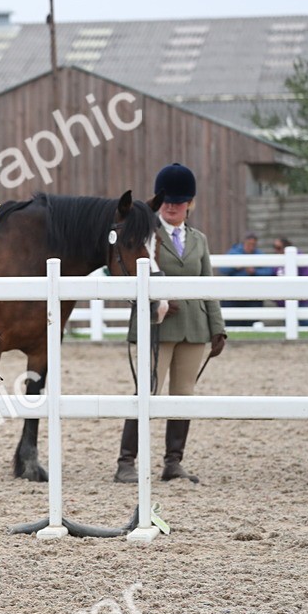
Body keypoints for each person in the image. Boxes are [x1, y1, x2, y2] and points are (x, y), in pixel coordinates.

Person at [114, 163, 227, 484]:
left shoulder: (199, 240)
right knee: (146, 391)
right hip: (157, 326)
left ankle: (173, 462)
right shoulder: (146, 235)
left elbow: (208, 284)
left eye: (180, 200)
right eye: (167, 200)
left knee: (183, 394)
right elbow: (129, 275)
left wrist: (217, 327)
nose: (172, 205)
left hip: (194, 328)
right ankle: (126, 462)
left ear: (190, 202)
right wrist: (156, 299)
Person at [220, 232, 275, 327]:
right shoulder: (234, 253)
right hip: (233, 291)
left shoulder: (259, 255)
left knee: (252, 319)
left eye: (253, 244)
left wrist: (254, 272)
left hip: (253, 292)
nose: (251, 247)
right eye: (249, 244)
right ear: (244, 243)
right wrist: (236, 267)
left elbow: (269, 271)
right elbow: (223, 269)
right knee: (232, 320)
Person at [272, 237, 308, 327]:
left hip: (300, 299)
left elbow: (306, 276)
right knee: (288, 325)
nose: (276, 250)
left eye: (278, 248)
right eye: (274, 247)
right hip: (282, 300)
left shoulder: (299, 258)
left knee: (304, 323)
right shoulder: (275, 260)